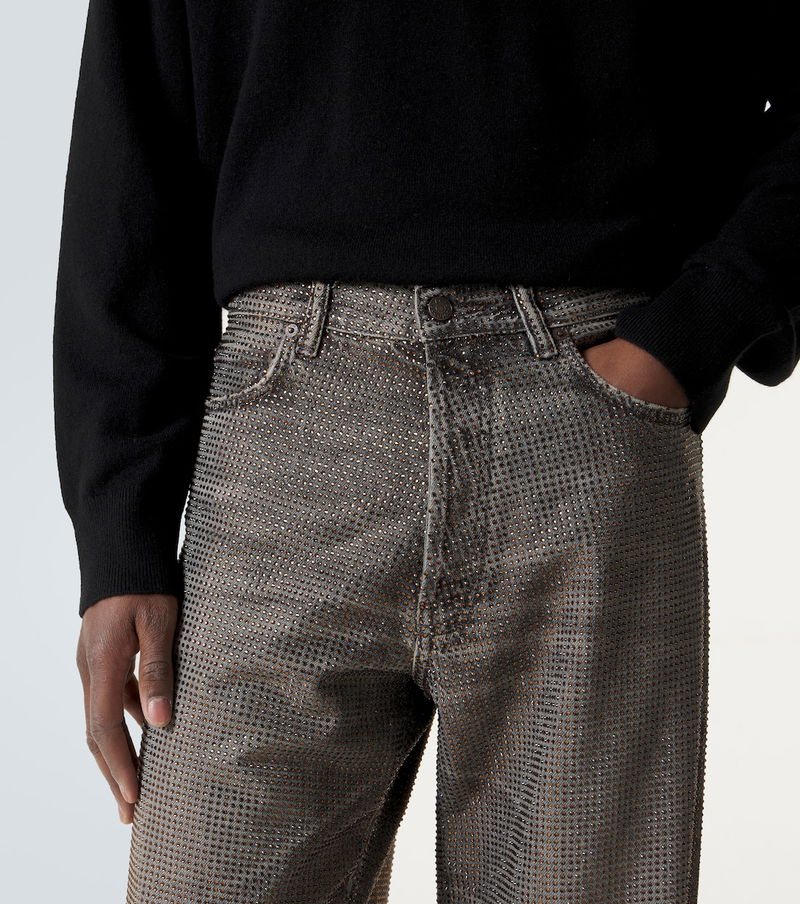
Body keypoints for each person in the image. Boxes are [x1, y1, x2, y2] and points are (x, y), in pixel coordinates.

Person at [53, 3, 799, 903]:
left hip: (586, 421)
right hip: (283, 437)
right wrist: (121, 532)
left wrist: (694, 330)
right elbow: (136, 101)